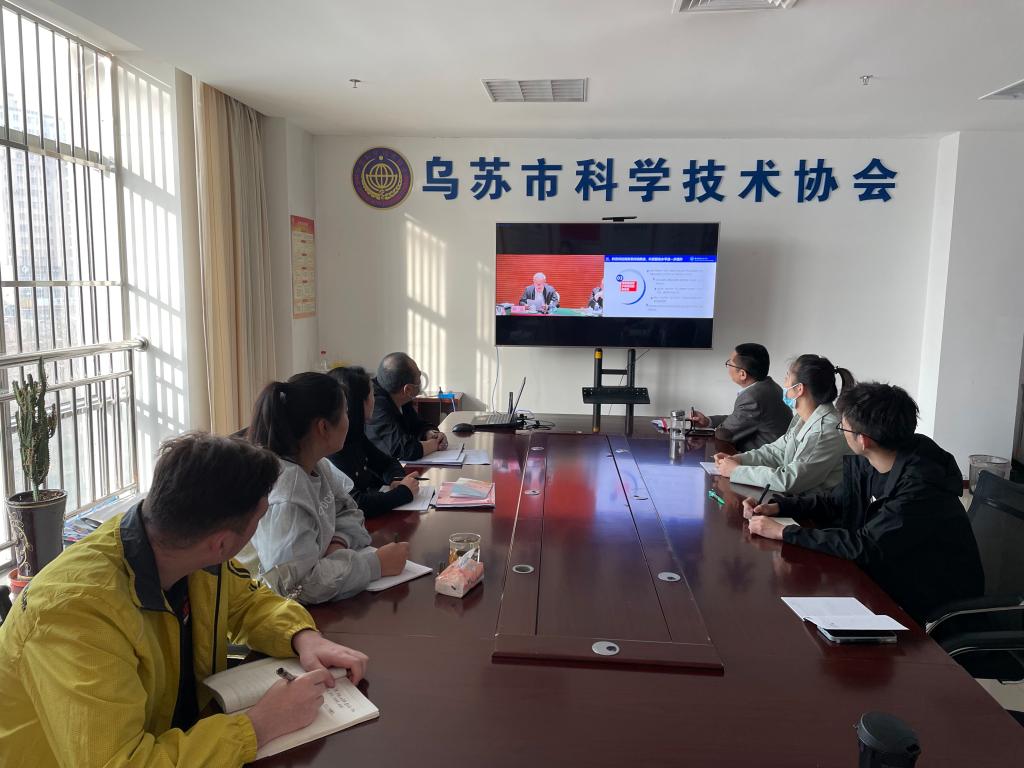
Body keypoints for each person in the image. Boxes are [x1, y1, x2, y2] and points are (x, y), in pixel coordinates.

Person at [0, 432, 370, 767]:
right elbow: (121, 762)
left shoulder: (182, 544)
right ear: (221, 543)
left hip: (177, 734)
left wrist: (303, 637)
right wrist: (258, 725)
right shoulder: (74, 613)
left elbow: (247, 601)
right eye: (261, 516)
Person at [744, 382, 984, 624]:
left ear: (863, 441)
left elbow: (867, 545)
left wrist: (784, 532)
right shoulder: (876, 460)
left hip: (926, 605)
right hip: (884, 579)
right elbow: (834, 501)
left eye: (843, 427)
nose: (842, 432)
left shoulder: (921, 486)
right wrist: (779, 506)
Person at [242, 372, 410, 604]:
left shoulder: (317, 465)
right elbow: (298, 586)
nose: (349, 420)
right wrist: (376, 564)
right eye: (346, 413)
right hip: (270, 609)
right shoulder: (287, 494)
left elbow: (350, 511)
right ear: (323, 427)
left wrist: (338, 542)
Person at [713, 354, 854, 494]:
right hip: (799, 500)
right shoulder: (804, 418)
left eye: (787, 378)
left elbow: (790, 480)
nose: (784, 384)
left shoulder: (825, 430)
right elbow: (776, 452)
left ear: (799, 389)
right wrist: (739, 459)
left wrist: (736, 471)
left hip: (818, 506)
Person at [327, 365, 420, 517]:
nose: (375, 400)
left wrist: (396, 480)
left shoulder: (355, 435)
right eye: (372, 395)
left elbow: (387, 463)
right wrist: (403, 492)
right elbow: (356, 503)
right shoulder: (334, 446)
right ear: (359, 403)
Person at [690, 343, 793, 452]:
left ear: (742, 374)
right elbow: (738, 418)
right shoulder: (769, 385)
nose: (728, 366)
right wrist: (708, 421)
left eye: (730, 363)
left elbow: (724, 434)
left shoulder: (753, 397)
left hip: (764, 459)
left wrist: (710, 433)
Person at [367, 352, 447, 461]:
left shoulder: (399, 394)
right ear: (408, 389)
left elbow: (417, 424)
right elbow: (402, 449)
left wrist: (430, 433)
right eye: (419, 376)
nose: (420, 381)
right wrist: (435, 444)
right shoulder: (375, 404)